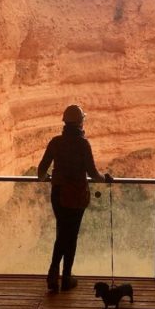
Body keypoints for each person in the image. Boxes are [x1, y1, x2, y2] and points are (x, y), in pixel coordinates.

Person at [37, 104, 112, 293]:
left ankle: (54, 275)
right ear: (80, 122)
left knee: (62, 233)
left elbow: (40, 172)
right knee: (71, 236)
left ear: (65, 122)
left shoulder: (55, 142)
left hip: (58, 194)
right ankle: (65, 276)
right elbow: (93, 173)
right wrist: (106, 179)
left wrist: (49, 179)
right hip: (77, 195)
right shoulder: (82, 144)